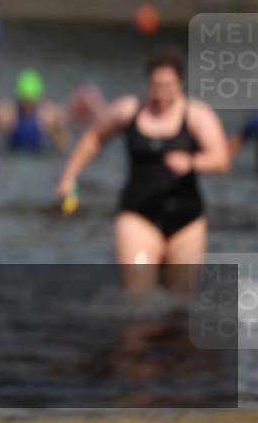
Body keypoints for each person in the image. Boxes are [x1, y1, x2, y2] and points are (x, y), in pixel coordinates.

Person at [55, 50, 230, 294]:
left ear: (179, 84)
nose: (161, 93)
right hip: (137, 216)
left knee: (182, 302)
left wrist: (191, 161)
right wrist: (68, 177)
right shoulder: (129, 110)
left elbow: (221, 159)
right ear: (148, 84)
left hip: (186, 221)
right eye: (155, 86)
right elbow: (94, 136)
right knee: (139, 301)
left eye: (168, 86)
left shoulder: (197, 115)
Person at [0, 69, 71, 154]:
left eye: (32, 102)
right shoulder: (10, 112)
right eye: (25, 101)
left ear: (38, 99)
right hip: (13, 152)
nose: (28, 106)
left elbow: (66, 147)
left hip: (37, 152)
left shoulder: (46, 114)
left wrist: (55, 128)